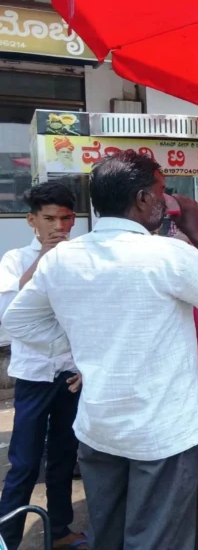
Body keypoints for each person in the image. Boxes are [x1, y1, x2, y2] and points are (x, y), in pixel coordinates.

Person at [1, 151, 198, 550]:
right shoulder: (169, 254)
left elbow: (19, 322)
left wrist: (82, 346)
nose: (166, 201)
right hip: (163, 432)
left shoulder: (62, 258)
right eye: (162, 192)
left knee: (108, 535)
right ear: (143, 199)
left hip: (99, 428)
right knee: (157, 540)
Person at [0, 182, 86, 550]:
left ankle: (61, 529)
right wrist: (43, 259)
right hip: (33, 373)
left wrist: (85, 364)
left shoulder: (83, 258)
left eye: (65, 218)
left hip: (71, 373)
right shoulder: (15, 259)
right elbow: (8, 312)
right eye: (49, 219)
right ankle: (7, 539)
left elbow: (91, 317)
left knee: (65, 456)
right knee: (24, 461)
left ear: (74, 220)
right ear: (31, 220)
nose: (58, 226)